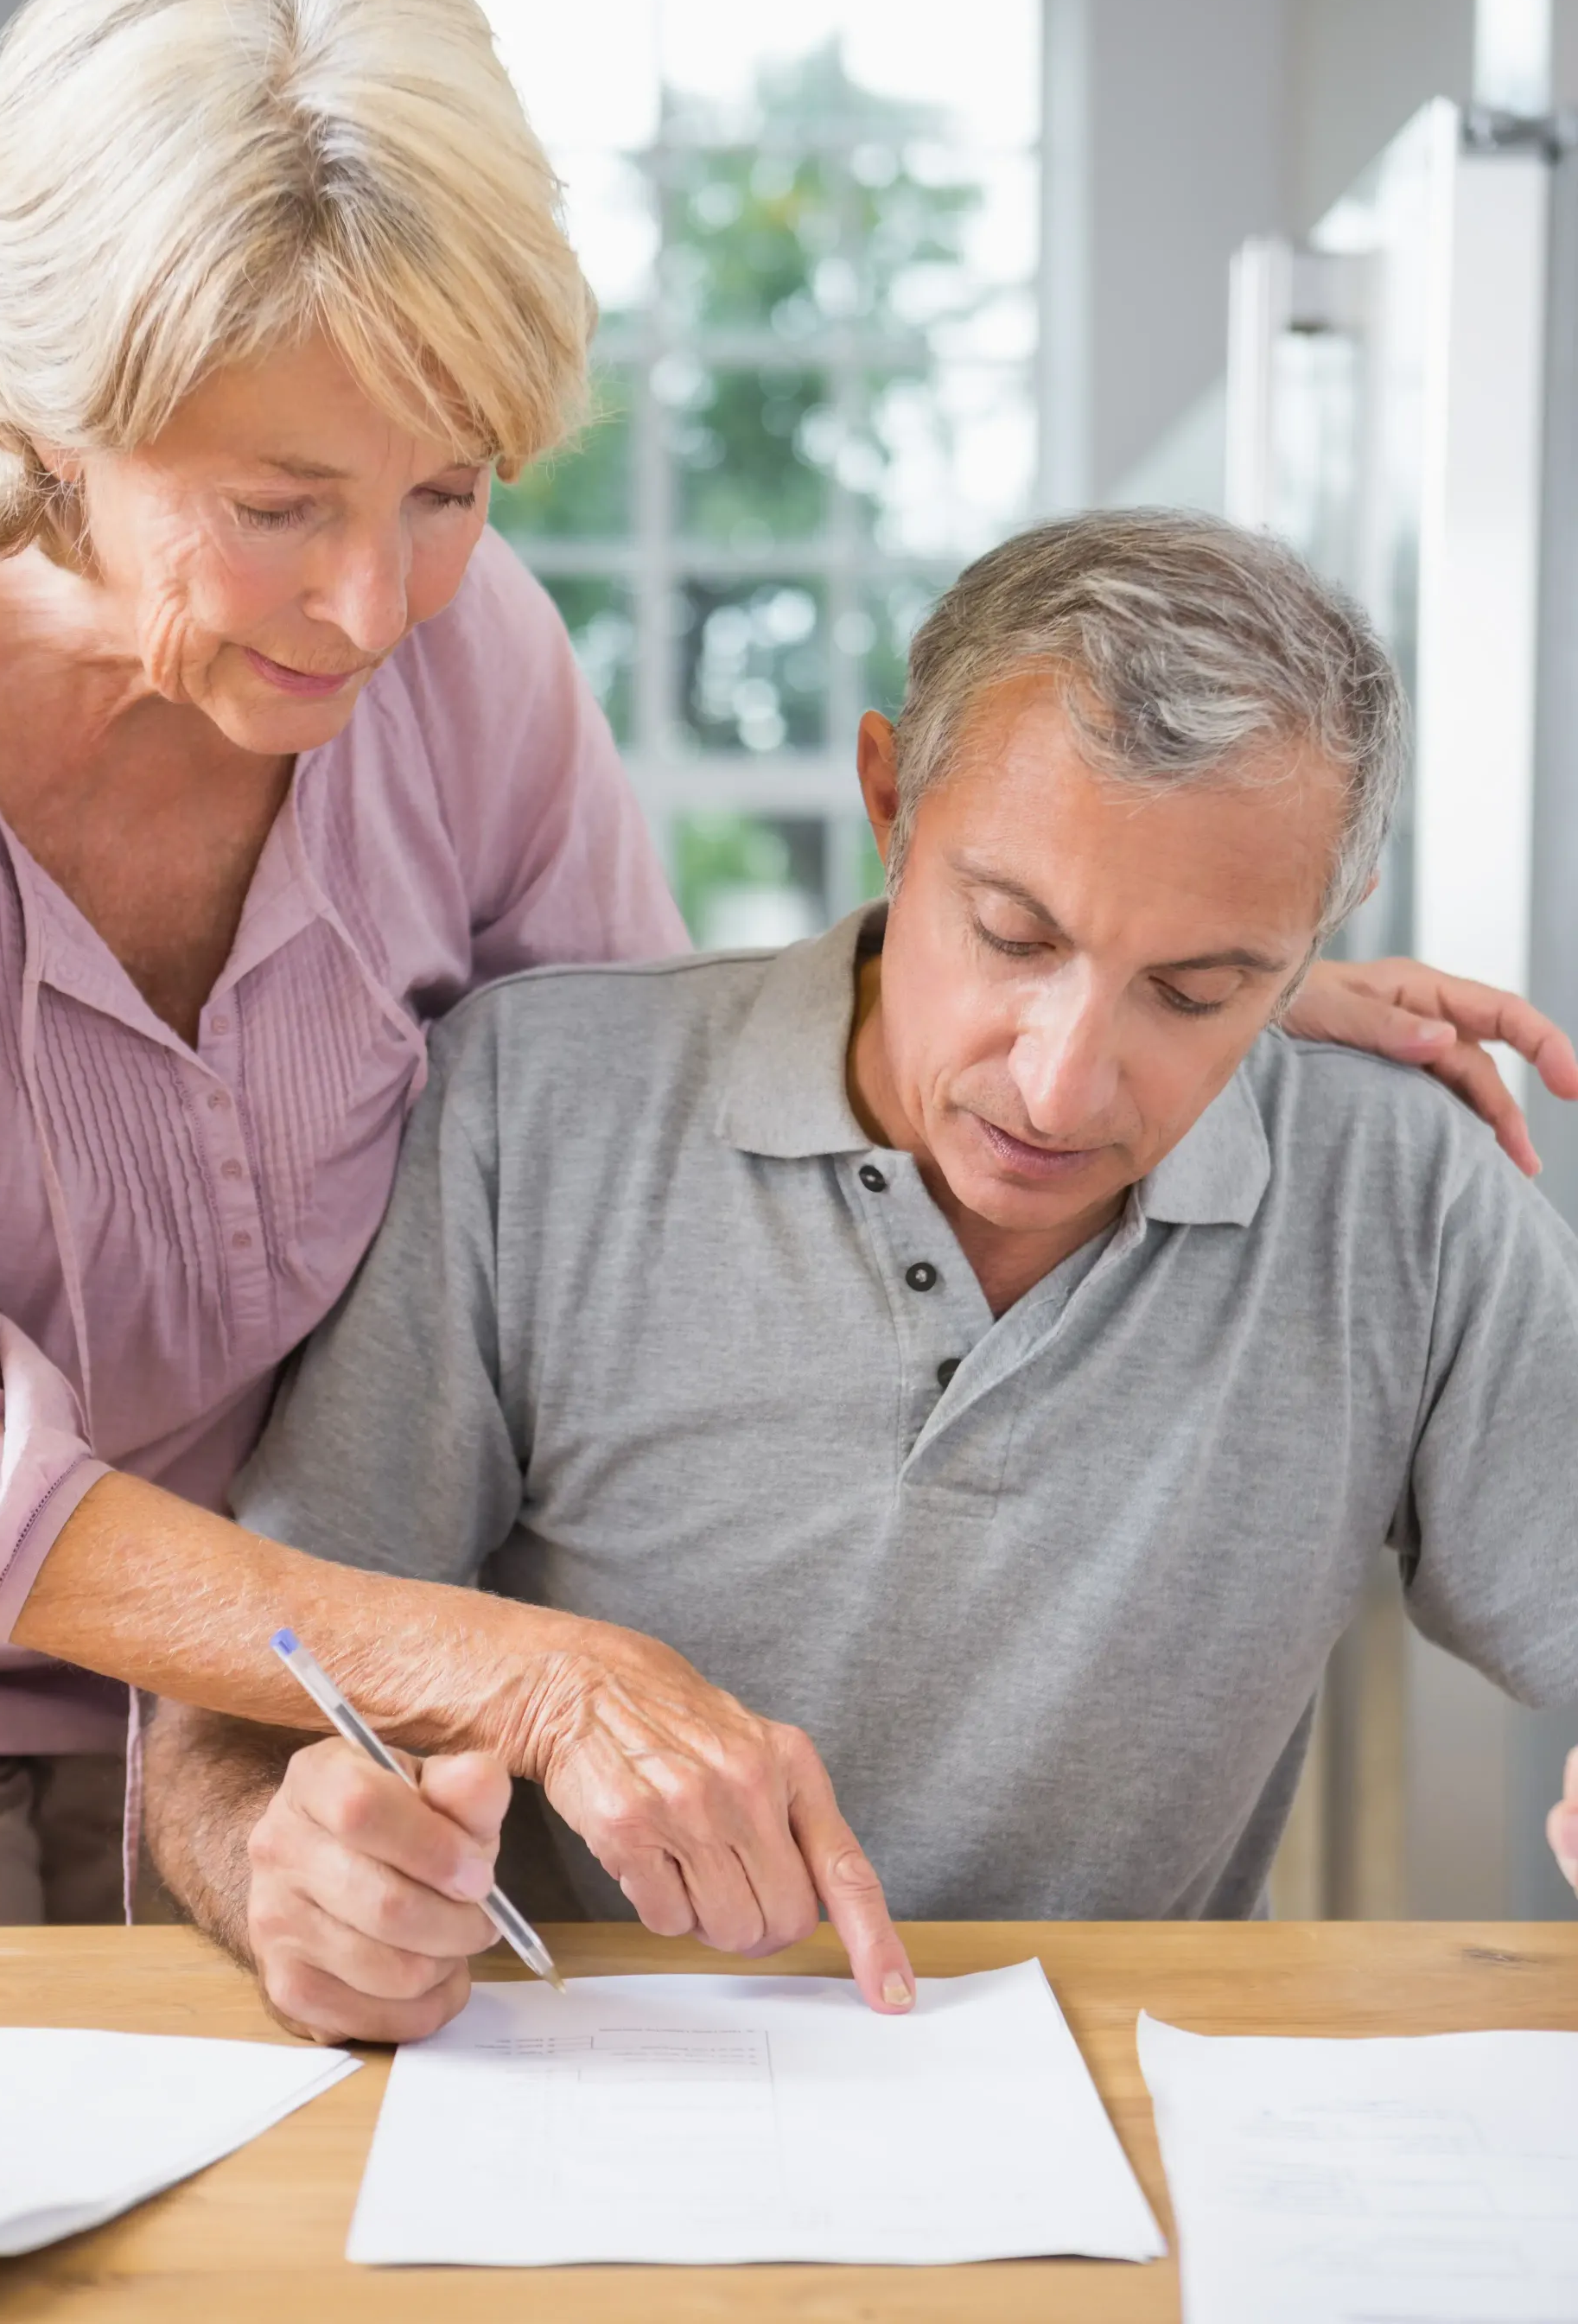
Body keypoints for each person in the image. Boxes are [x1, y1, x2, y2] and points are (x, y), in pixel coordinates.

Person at [0, 0, 1562, 1932]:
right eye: (281, 507)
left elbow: (642, 1094)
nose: (379, 605)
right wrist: (512, 1670)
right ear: (56, 402)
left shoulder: (458, 657)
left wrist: (1186, 1000)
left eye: (449, 490)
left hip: (283, 1701)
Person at [146, 512, 1578, 2047]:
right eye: (1014, 934)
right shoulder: (533, 1109)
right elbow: (239, 1703)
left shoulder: (1406, 1198)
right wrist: (279, 1869)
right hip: (582, 2098)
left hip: (1129, 2132)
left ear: (1312, 943)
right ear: (890, 800)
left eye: (1197, 988)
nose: (1063, 1084)